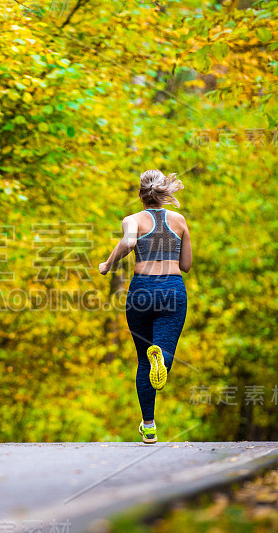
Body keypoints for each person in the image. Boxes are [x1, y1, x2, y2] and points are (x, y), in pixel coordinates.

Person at [98, 169, 192, 444]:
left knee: (142, 359)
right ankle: (161, 357)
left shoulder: (132, 220)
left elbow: (128, 242)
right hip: (172, 291)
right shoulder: (179, 220)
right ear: (163, 193)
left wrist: (107, 264)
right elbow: (185, 266)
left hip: (141, 291)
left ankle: (149, 426)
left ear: (140, 194)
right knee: (163, 353)